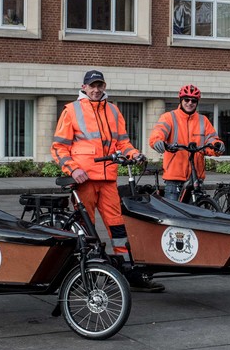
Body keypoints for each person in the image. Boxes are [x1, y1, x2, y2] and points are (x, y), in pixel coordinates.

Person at [52, 70, 164, 292]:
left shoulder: (112, 110)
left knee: (119, 228)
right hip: (84, 180)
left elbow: (123, 143)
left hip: (108, 179)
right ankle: (84, 275)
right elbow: (58, 147)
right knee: (85, 230)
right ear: (84, 87)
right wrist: (73, 169)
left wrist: (134, 154)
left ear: (104, 86)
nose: (96, 90)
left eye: (99, 85)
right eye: (92, 86)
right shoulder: (71, 110)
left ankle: (129, 272)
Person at [149, 84, 224, 201]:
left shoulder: (202, 120)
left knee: (197, 213)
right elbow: (159, 132)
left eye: (193, 100)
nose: (190, 103)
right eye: (186, 99)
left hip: (196, 176)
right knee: (173, 214)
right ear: (181, 100)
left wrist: (217, 146)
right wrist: (158, 141)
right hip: (175, 176)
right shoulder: (169, 117)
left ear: (197, 102)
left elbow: (211, 139)